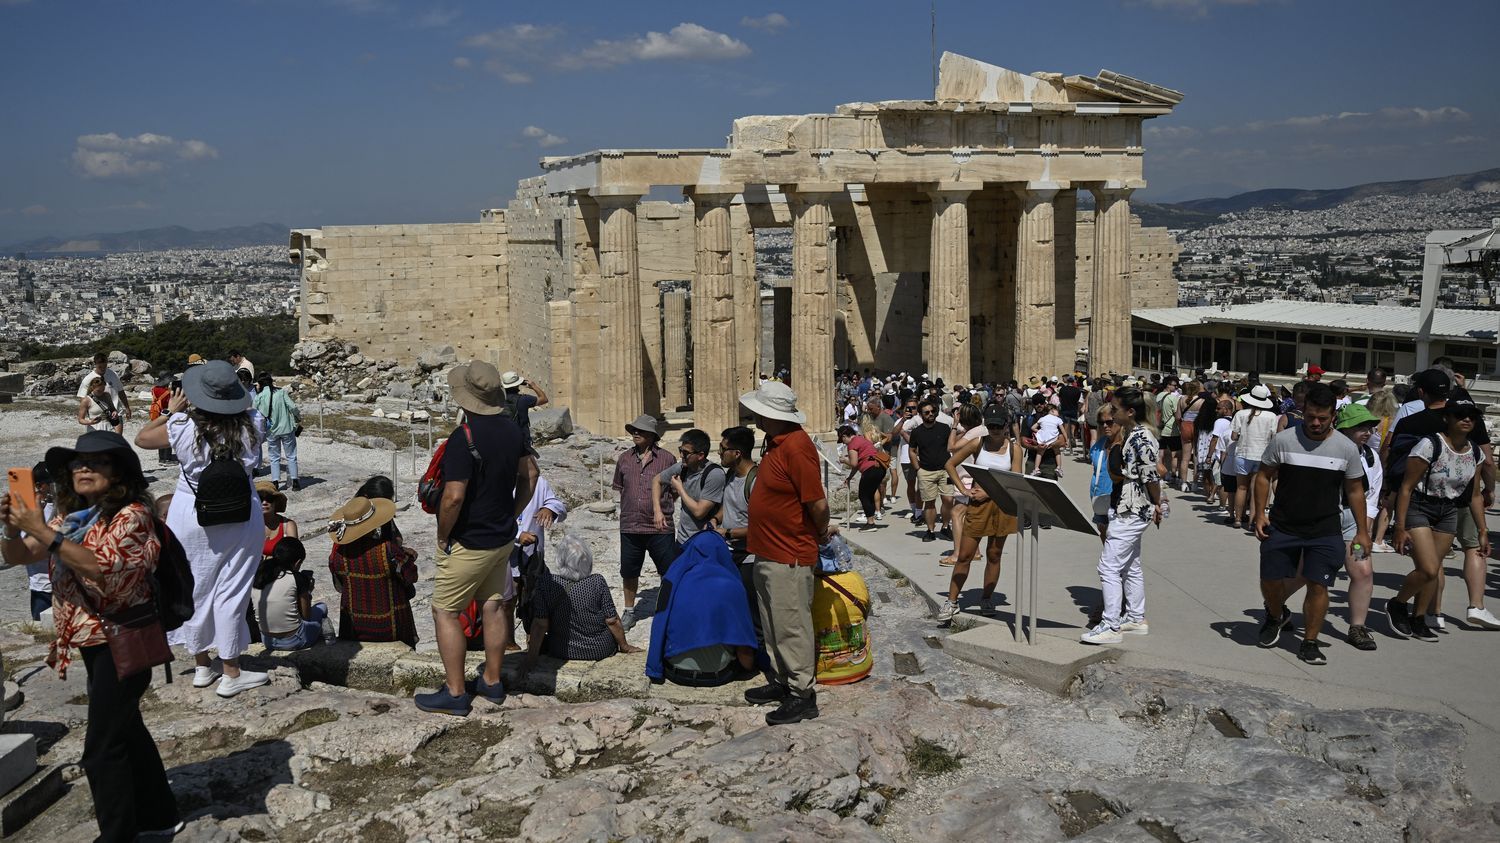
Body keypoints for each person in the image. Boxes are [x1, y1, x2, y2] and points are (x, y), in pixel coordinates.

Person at [2, 431, 181, 841]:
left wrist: (43, 532)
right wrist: (12, 529)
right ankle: (159, 815)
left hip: (122, 639)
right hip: (94, 642)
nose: (83, 468)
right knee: (127, 731)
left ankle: (118, 834)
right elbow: (19, 556)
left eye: (97, 462)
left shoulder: (132, 516)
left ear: (118, 473)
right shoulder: (77, 517)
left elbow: (104, 570)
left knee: (100, 751)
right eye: (78, 463)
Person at [134, 360, 269, 698]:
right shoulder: (252, 424)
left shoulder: (183, 425)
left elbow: (142, 439)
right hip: (240, 511)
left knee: (195, 587)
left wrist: (171, 410)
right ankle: (232, 672)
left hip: (190, 512)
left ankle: (201, 667)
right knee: (231, 591)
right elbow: (250, 415)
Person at [416, 360, 537, 716]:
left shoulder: (463, 437)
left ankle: (455, 693)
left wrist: (442, 534)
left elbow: (453, 495)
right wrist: (513, 513)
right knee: (494, 604)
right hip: (502, 537)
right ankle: (492, 681)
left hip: (470, 540)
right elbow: (530, 474)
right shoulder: (511, 429)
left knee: (445, 611)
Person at [1253, 384, 1368, 665]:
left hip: (1326, 528)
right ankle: (1276, 614)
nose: (1315, 423)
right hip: (1283, 524)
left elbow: (1355, 491)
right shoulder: (1284, 440)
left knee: (1318, 585)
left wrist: (1363, 532)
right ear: (1303, 412)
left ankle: (1310, 642)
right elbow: (1263, 476)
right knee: (1270, 578)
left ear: (1333, 417)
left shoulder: (1346, 448)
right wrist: (1259, 514)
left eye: (1322, 418)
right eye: (1310, 417)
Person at [738, 381, 830, 726]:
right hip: (766, 549)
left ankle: (802, 694)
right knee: (773, 622)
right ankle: (781, 680)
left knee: (791, 626)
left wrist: (820, 534)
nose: (756, 416)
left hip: (789, 552)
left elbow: (817, 503)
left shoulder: (797, 446)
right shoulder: (774, 444)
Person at [1387, 399, 1491, 642]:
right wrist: (1399, 527)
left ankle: (1419, 618)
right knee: (1429, 568)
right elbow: (1406, 488)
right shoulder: (1430, 444)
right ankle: (1398, 604)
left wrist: (1482, 530)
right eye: (1460, 415)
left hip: (1449, 510)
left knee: (1434, 572)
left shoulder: (1474, 452)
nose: (1467, 419)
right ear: (1447, 418)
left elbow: (1475, 495)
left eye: (1472, 416)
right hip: (1420, 505)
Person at [1081, 387, 1161, 645]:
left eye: (1114, 410)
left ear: (1130, 411)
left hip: (1132, 508)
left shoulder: (1141, 437)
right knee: (1130, 565)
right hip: (1127, 505)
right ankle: (1136, 617)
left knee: (1108, 566)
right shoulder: (1133, 434)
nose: (1111, 414)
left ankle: (1111, 624)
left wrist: (1158, 503)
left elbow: (1152, 476)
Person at [937, 404, 1021, 621]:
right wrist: (964, 489)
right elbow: (950, 464)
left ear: (1006, 426)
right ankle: (952, 601)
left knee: (994, 555)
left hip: (1002, 506)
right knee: (964, 555)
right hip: (978, 506)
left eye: (998, 425)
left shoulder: (1014, 449)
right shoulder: (978, 443)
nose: (994, 430)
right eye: (990, 425)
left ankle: (986, 598)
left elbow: (1016, 482)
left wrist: (990, 493)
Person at [521, 536, 639, 668]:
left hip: (561, 649)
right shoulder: (597, 582)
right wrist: (624, 646)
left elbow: (540, 623)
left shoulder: (547, 583)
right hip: (599, 649)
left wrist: (531, 659)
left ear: (561, 560)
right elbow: (612, 620)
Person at [327, 488, 419, 647]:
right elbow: (410, 576)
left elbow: (339, 586)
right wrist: (409, 558)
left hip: (354, 626)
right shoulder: (387, 550)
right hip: (390, 625)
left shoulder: (337, 555)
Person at [613, 413, 678, 631]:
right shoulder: (624, 459)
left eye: (639, 430)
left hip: (660, 527)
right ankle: (630, 611)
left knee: (668, 570)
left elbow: (675, 489)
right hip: (631, 524)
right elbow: (621, 487)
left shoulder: (668, 459)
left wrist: (664, 507)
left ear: (652, 435)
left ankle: (669, 610)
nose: (635, 433)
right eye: (633, 430)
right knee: (629, 571)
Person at [1334, 404, 1381, 650]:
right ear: (1344, 429)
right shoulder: (1328, 450)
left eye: (1370, 427)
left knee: (1363, 572)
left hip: (1355, 521)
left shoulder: (1370, 456)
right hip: (1325, 518)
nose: (1367, 432)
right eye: (1360, 427)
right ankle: (1276, 608)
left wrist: (1367, 524)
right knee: (1303, 574)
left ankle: (1358, 627)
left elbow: (1372, 491)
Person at [716, 425, 761, 645]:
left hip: (751, 558)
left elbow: (763, 526)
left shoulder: (757, 481)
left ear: (737, 453)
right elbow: (730, 507)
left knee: (754, 615)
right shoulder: (730, 476)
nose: (719, 453)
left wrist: (729, 532)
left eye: (722, 449)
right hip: (731, 554)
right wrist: (715, 520)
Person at [651, 428, 726, 548]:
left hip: (705, 541)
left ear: (700, 455)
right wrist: (657, 511)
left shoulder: (714, 474)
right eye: (680, 450)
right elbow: (656, 480)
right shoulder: (683, 467)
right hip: (683, 539)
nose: (681, 456)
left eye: (686, 453)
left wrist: (680, 489)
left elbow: (699, 512)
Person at [254, 537, 332, 651]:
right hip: (295, 640)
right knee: (321, 607)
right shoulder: (296, 578)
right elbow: (306, 616)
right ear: (297, 562)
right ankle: (329, 639)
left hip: (267, 640)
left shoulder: (260, 575)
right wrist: (307, 592)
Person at [1229, 384, 1277, 531]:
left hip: (1243, 453)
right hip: (1261, 455)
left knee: (1241, 488)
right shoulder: (1271, 416)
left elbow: (1234, 435)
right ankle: (1252, 521)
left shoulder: (1240, 414)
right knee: (1256, 489)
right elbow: (1273, 437)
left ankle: (1237, 519)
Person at [908, 398, 954, 543]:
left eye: (932, 411)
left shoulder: (944, 428)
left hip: (945, 470)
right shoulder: (917, 432)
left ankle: (946, 527)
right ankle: (930, 530)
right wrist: (917, 468)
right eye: (926, 412)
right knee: (929, 502)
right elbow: (912, 450)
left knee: (948, 499)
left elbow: (952, 445)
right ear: (921, 415)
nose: (930, 414)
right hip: (926, 472)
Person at [18, 462, 55, 620]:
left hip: (65, 585)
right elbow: (24, 547)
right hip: (42, 589)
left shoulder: (65, 506)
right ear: (41, 486)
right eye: (53, 483)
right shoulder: (29, 510)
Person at [253, 372, 302, 492]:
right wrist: (298, 418)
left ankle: (275, 482)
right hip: (287, 429)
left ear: (260, 383)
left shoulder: (259, 397)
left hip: (271, 431)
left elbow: (254, 413)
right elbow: (293, 407)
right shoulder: (281, 393)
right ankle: (295, 482)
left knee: (274, 457)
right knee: (291, 455)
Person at [837, 424, 885, 529]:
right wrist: (849, 477)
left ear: (844, 436)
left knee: (863, 496)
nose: (843, 443)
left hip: (870, 470)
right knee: (869, 495)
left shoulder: (852, 444)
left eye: (842, 440)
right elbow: (857, 465)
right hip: (880, 468)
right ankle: (871, 519)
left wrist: (844, 460)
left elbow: (854, 463)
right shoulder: (861, 439)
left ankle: (871, 523)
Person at [76, 352, 129, 432]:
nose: (103, 368)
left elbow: (121, 391)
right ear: (95, 364)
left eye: (104, 366)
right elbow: (82, 397)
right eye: (100, 366)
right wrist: (91, 411)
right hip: (98, 415)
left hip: (116, 412)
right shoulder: (88, 379)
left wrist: (127, 408)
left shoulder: (113, 374)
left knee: (117, 441)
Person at [499, 370, 548, 447]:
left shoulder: (498, 400)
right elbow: (544, 399)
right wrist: (534, 386)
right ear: (518, 384)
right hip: (521, 440)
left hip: (504, 440)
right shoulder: (524, 400)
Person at [257, 480, 298, 557]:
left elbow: (293, 555)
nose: (265, 502)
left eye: (269, 498)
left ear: (276, 502)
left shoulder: (288, 525)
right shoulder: (247, 525)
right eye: (260, 498)